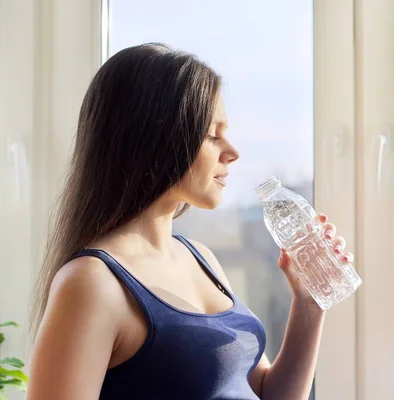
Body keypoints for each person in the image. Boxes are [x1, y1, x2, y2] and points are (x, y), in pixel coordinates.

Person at [26, 43, 353, 400]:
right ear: (156, 138)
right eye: (213, 135)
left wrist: (309, 303)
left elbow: (269, 393)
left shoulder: (201, 258)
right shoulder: (91, 283)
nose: (233, 151)